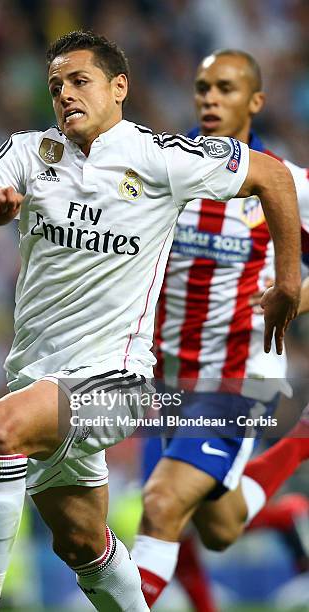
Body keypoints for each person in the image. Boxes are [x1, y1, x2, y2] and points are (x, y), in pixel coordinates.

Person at [0, 33, 301, 612]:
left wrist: (290, 283)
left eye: (80, 81)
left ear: (118, 88)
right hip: (40, 384)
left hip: (120, 385)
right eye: (55, 86)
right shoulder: (27, 154)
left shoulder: (160, 158)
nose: (65, 94)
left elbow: (273, 178)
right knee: (83, 546)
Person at [131, 49, 309, 609]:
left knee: (160, 505)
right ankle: (302, 442)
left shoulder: (287, 184)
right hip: (167, 381)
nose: (211, 97)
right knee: (218, 526)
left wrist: (291, 298)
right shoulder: (158, 170)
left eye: (226, 88)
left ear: (254, 101)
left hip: (241, 374)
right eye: (203, 86)